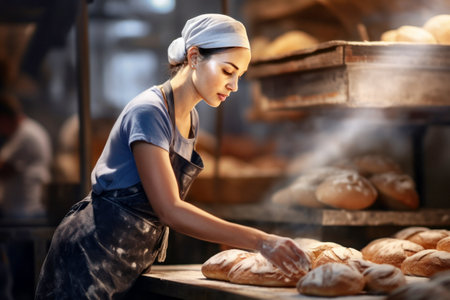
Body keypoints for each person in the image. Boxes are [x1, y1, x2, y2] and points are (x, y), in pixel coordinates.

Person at [35, 13, 310, 299]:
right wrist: (261, 241)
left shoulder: (191, 117)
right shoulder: (149, 112)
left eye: (239, 76)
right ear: (193, 57)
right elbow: (169, 209)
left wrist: (226, 237)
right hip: (90, 255)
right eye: (228, 71)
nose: (234, 85)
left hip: (127, 259)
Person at [0, 92, 52, 219]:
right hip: (20, 210)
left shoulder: (26, 134)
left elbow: (4, 168)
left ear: (4, 118)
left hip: (25, 211)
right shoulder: (23, 131)